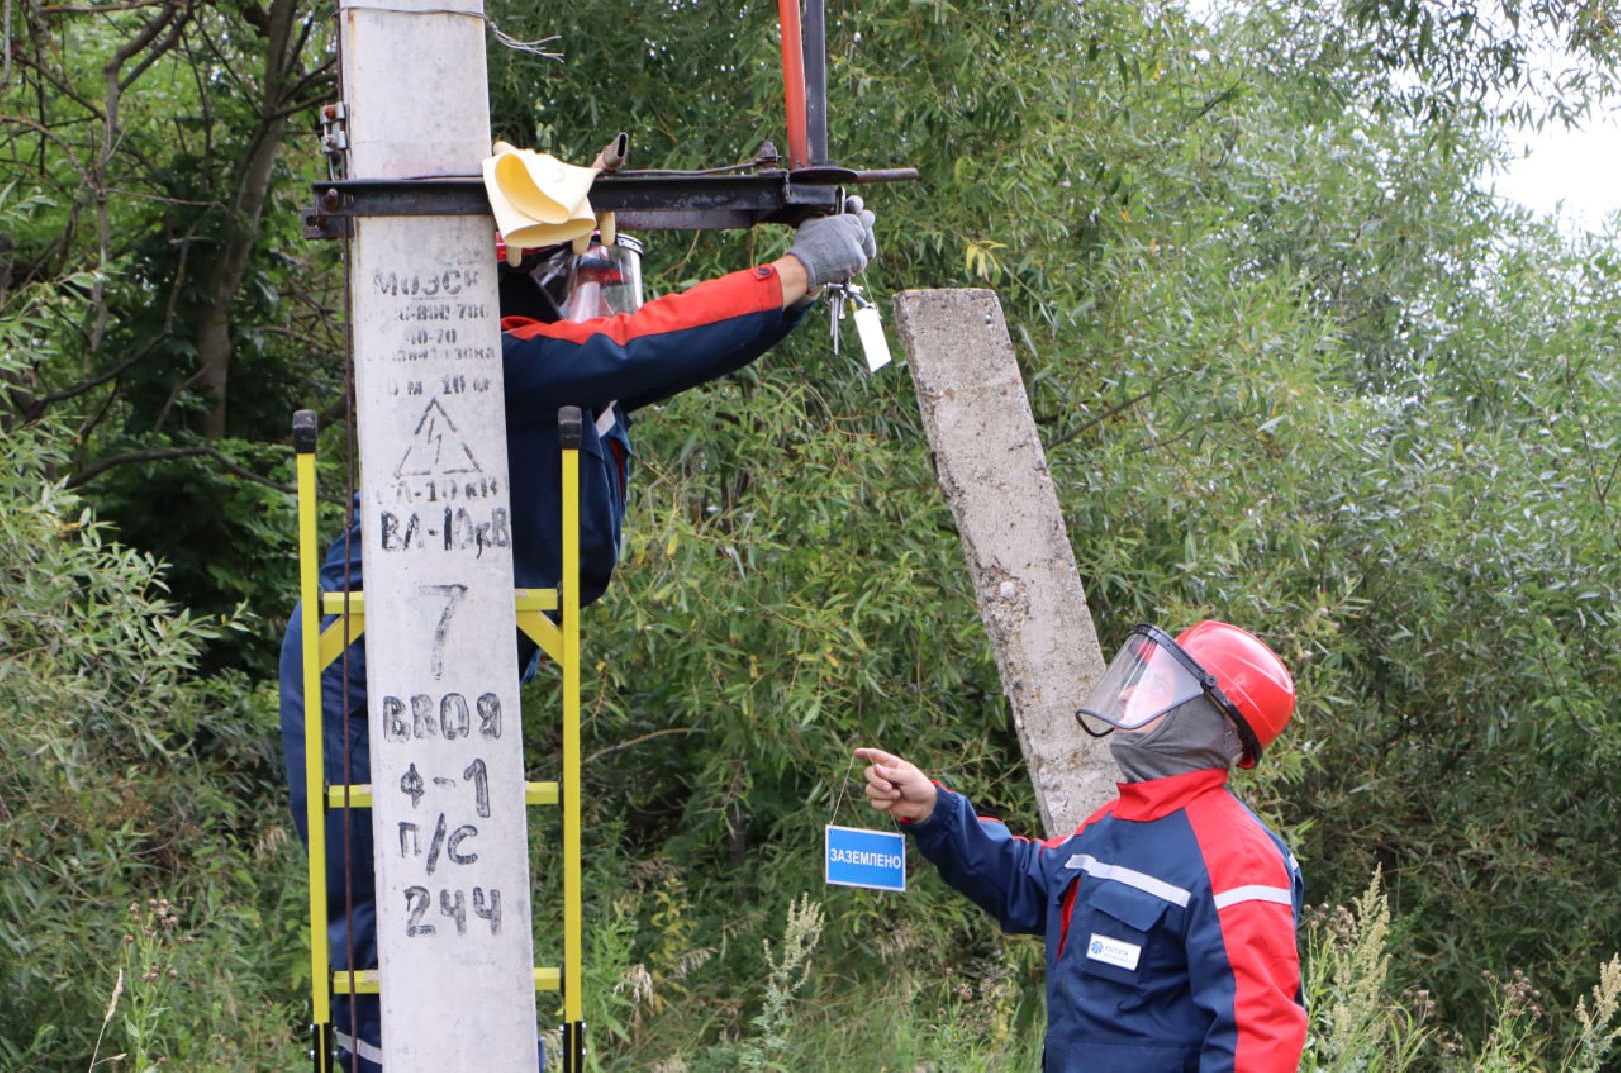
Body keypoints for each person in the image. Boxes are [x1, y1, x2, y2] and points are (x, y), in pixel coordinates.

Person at [279, 203, 879, 1071]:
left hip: (454, 630)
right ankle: (384, 1044)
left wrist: (792, 291)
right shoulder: (497, 353)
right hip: (369, 640)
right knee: (375, 871)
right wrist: (793, 272)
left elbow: (664, 350)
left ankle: (465, 1030)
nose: (589, 280)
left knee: (455, 850)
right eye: (572, 261)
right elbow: (642, 344)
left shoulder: (538, 361)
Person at [856, 620, 1307, 1072]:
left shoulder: (1240, 860)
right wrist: (935, 811)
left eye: (1157, 686)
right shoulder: (1115, 824)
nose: (1128, 694)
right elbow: (1029, 883)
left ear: (1214, 717)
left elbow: (1258, 1042)